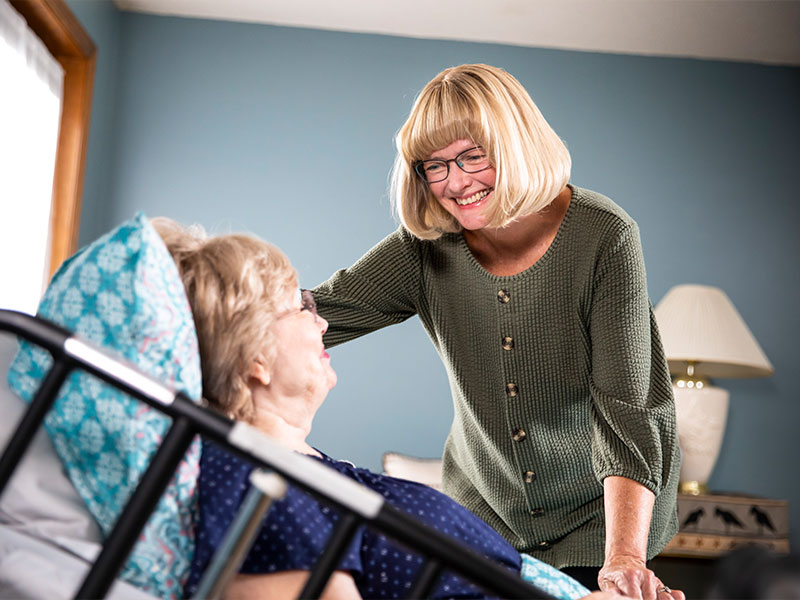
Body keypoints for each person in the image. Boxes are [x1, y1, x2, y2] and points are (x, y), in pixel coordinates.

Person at [311, 63, 682, 598]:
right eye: (433, 166)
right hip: (482, 509)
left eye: (471, 155)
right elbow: (321, 314)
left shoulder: (603, 235)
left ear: (516, 144)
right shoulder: (425, 248)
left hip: (599, 518)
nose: (454, 183)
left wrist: (623, 555)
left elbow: (629, 408)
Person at [151, 218, 645, 600]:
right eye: (301, 307)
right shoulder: (258, 485)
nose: (322, 323)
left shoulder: (299, 471)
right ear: (254, 358)